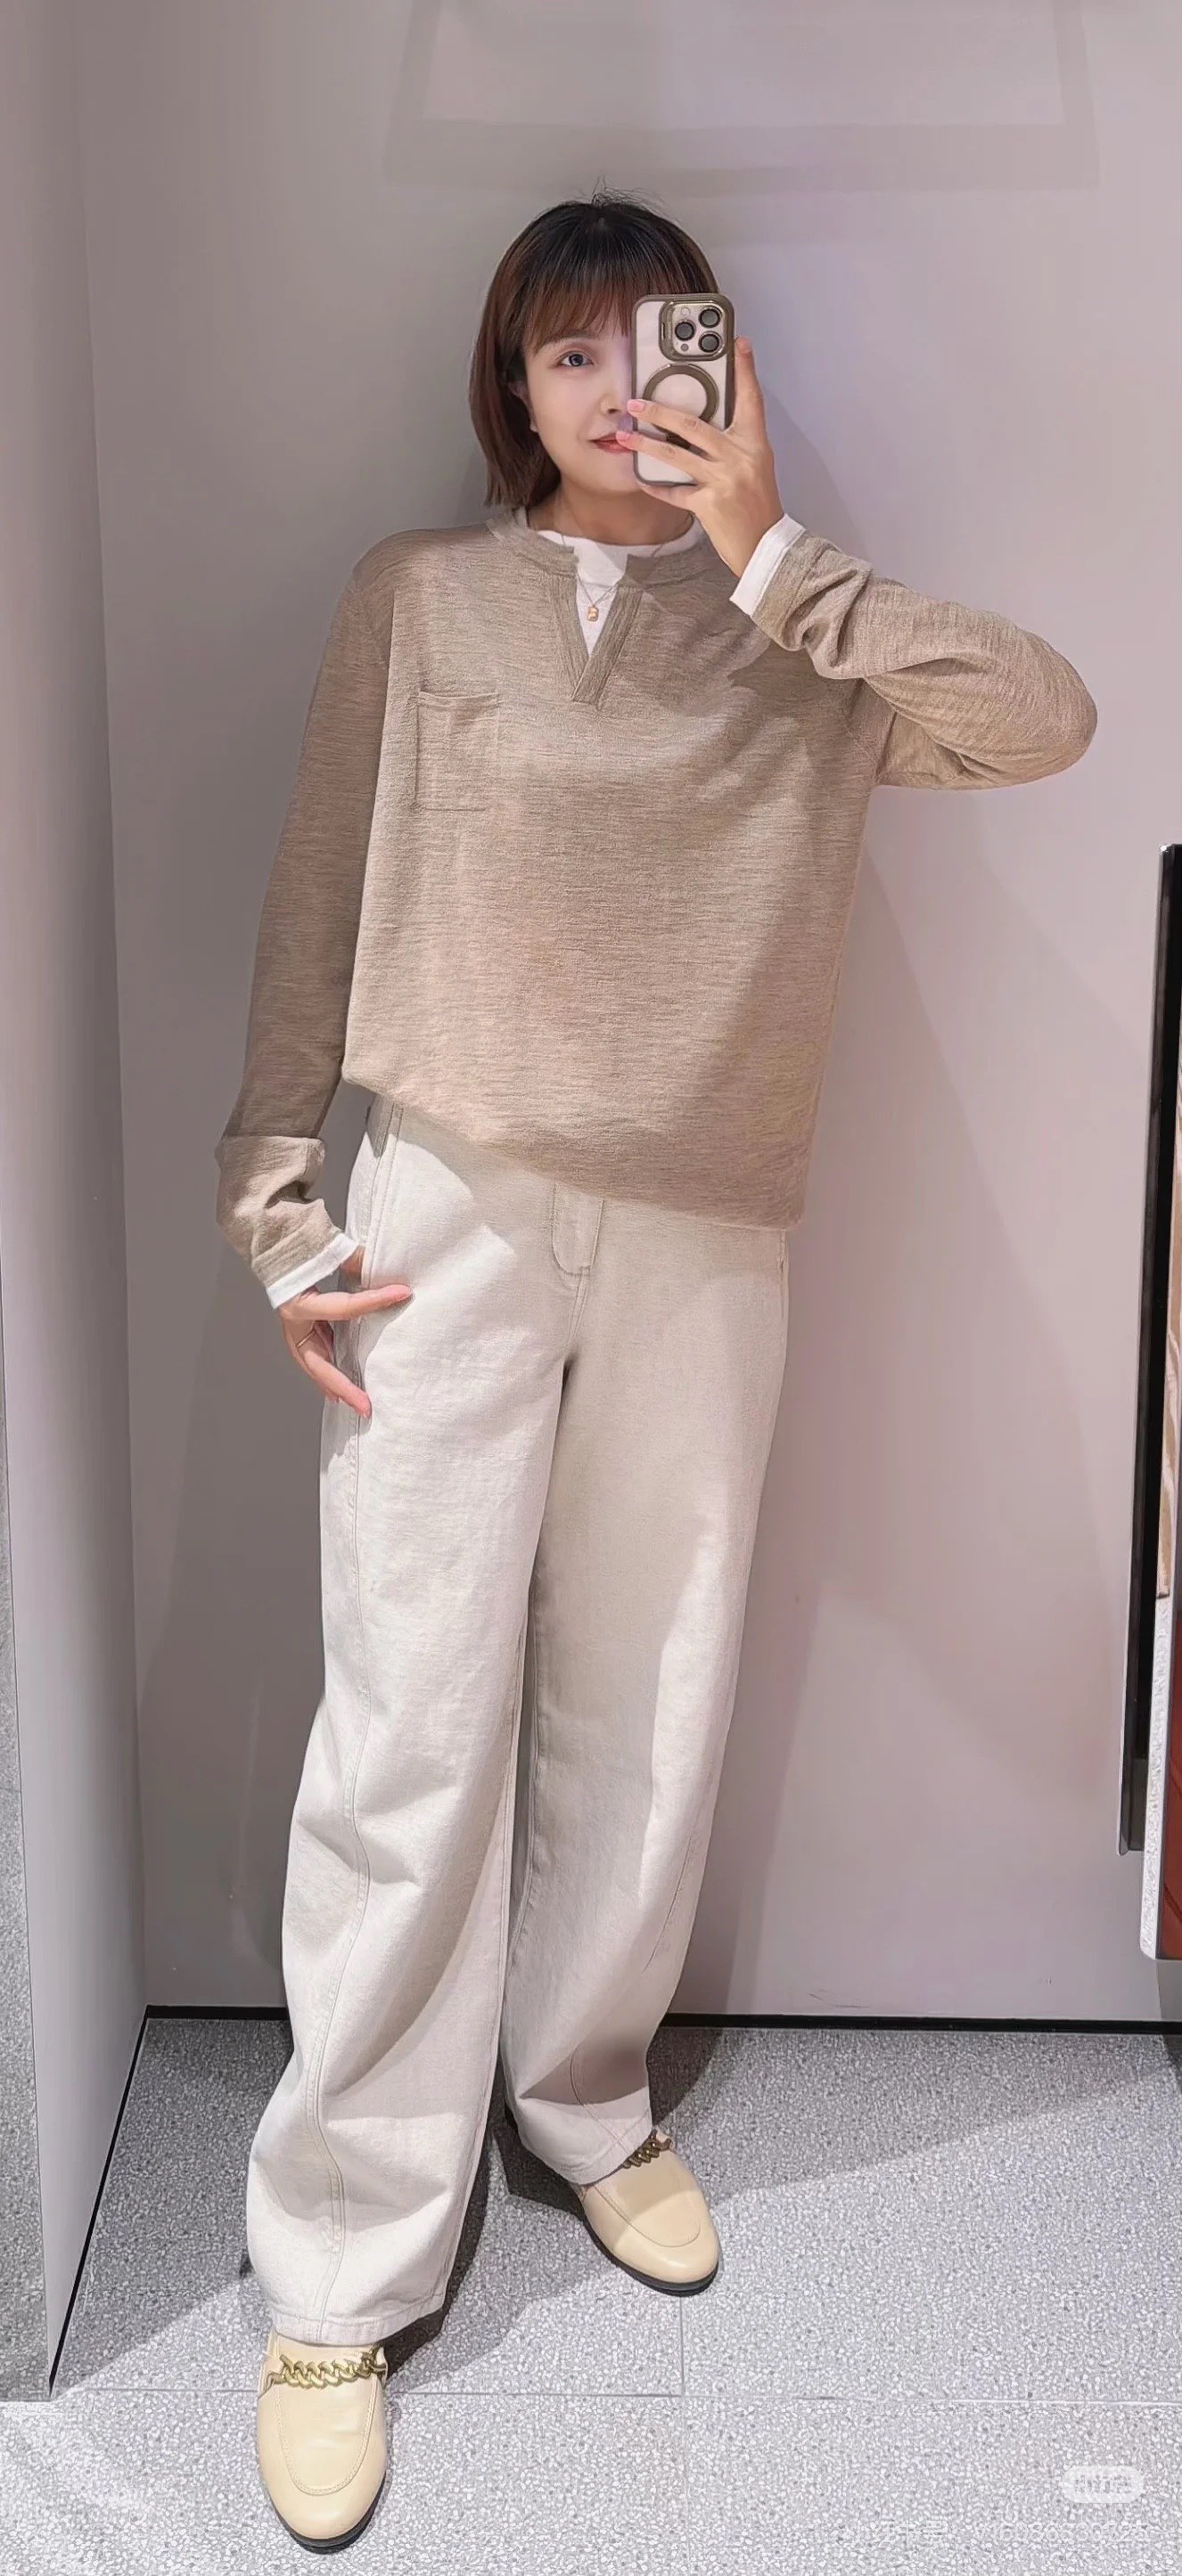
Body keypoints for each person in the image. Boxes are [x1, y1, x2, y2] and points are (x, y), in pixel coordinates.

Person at [214, 188, 1097, 2550]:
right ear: (508, 385)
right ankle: (340, 2264)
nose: (620, 392)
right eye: (571, 352)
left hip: (710, 1226)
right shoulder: (425, 596)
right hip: (445, 1213)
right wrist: (277, 1200)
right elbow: (314, 895)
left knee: (652, 1688)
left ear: (728, 369)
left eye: (661, 345)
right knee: (408, 1723)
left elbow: (1045, 720)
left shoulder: (797, 630)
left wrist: (775, 543)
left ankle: (585, 2098)